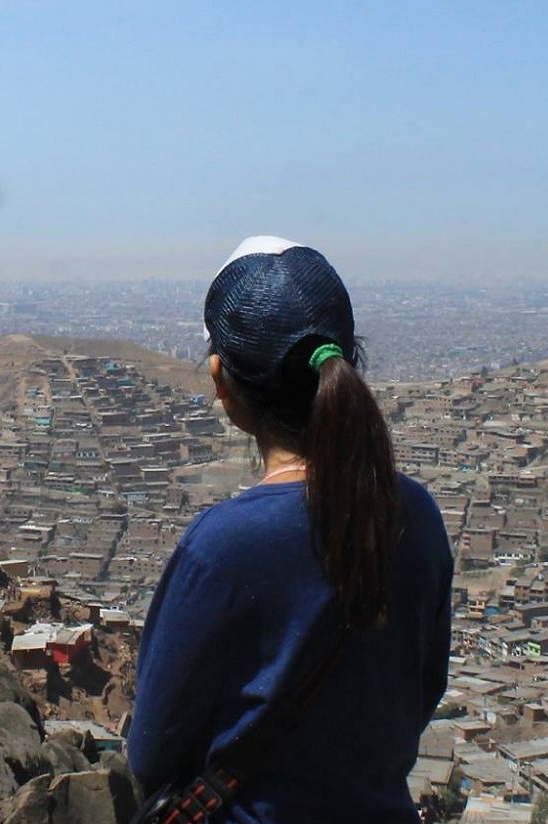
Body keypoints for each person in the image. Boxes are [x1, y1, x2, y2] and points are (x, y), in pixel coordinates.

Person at [127, 237, 454, 823]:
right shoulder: (418, 516)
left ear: (221, 382)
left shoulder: (223, 548)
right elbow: (422, 691)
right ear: (346, 361)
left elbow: (152, 752)